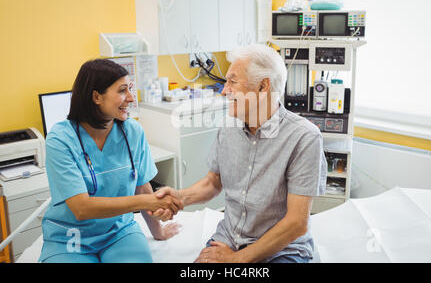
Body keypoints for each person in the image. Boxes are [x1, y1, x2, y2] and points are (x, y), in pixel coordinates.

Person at [154, 44, 327, 263]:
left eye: (233, 82)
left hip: (281, 250)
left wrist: (237, 259)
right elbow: (212, 183)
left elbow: (296, 222)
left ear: (263, 87)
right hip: (229, 239)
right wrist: (179, 198)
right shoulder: (228, 127)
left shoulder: (304, 137)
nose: (224, 91)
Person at [38, 59, 183, 263]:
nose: (131, 98)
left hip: (118, 232)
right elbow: (81, 208)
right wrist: (149, 201)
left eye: (130, 89)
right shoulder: (61, 139)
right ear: (96, 97)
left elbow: (142, 187)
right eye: (122, 90)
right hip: (70, 237)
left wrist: (158, 231)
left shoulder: (132, 131)